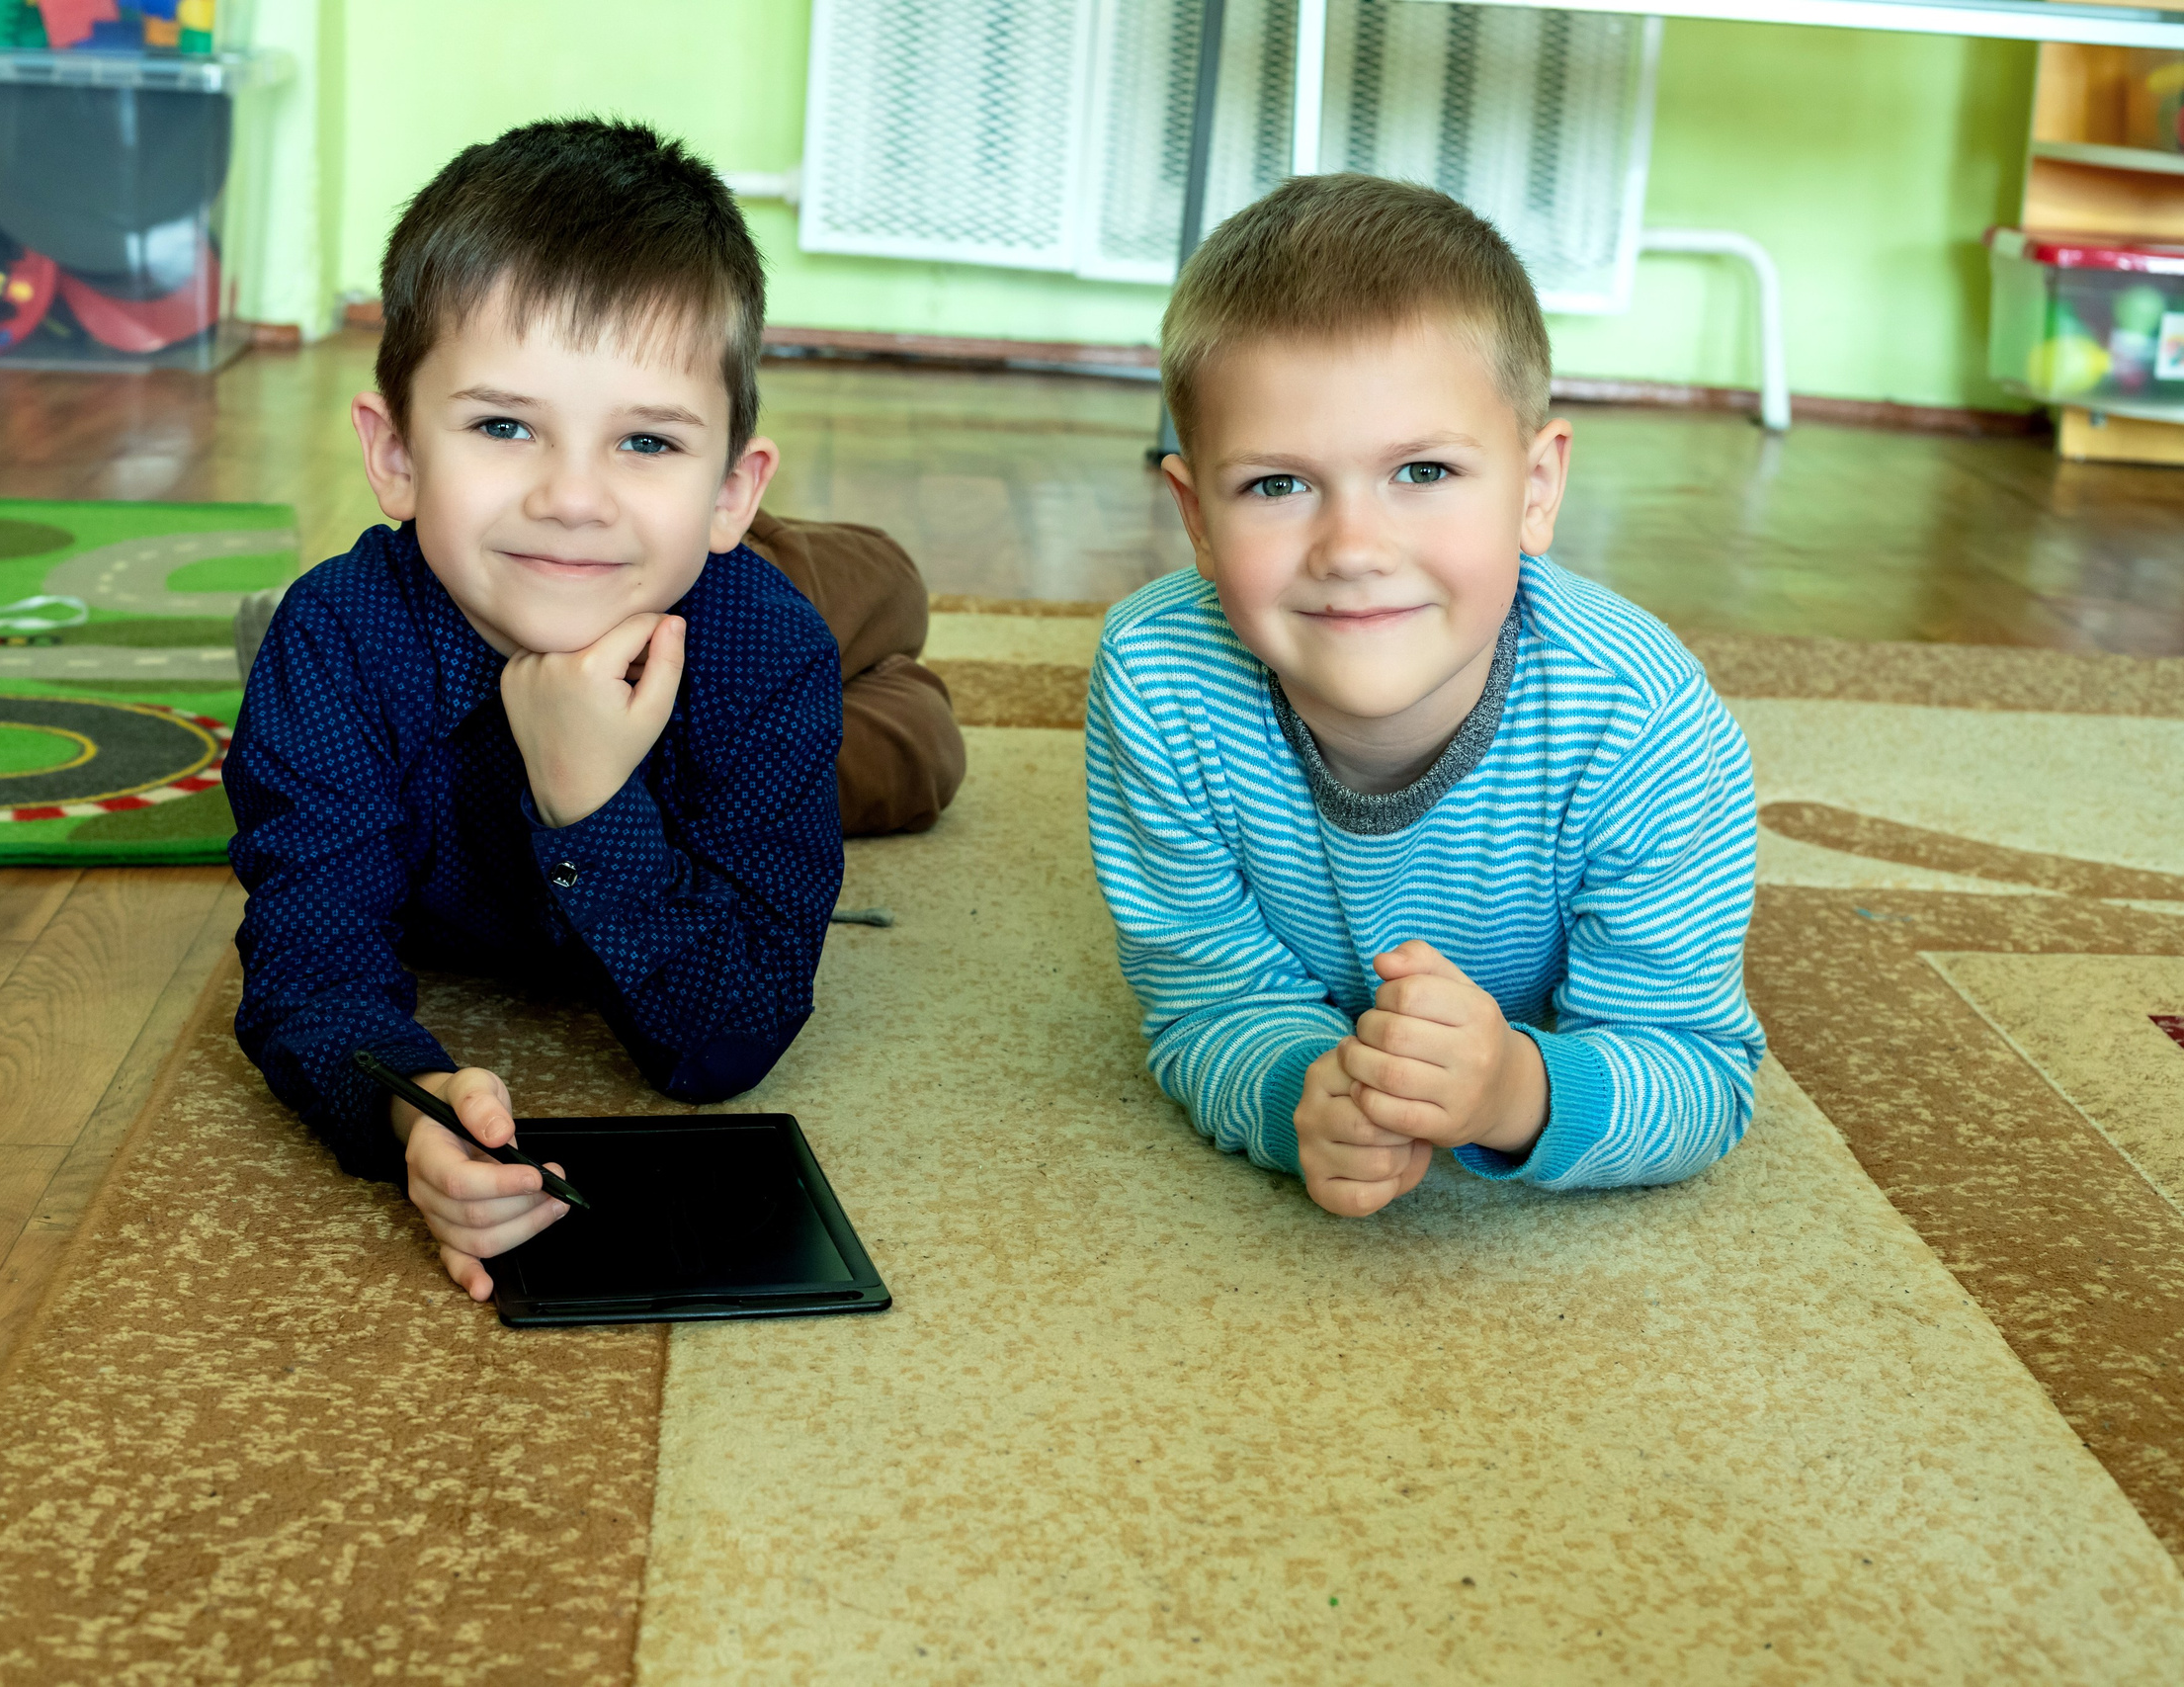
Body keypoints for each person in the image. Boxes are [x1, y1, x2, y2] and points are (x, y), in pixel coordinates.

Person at [225, 120, 965, 1299]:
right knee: (788, 677)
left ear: (731, 484)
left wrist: (588, 801)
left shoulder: (767, 650)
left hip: (734, 597)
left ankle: (853, 581)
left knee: (908, 746)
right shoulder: (335, 644)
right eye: (504, 426)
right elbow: (311, 958)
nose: (572, 495)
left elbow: (725, 1039)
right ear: (397, 455)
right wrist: (409, 1118)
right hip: (645, 572)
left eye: (645, 439)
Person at [1084, 174, 1766, 1219]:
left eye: (1424, 472)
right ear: (1197, 517)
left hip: (1538, 1042)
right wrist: (1297, 1095)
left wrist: (1513, 1091)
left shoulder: (1642, 720)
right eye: (1277, 484)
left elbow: (1695, 1071)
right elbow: (1206, 1002)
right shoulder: (1157, 677)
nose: (1353, 549)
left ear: (1535, 490)